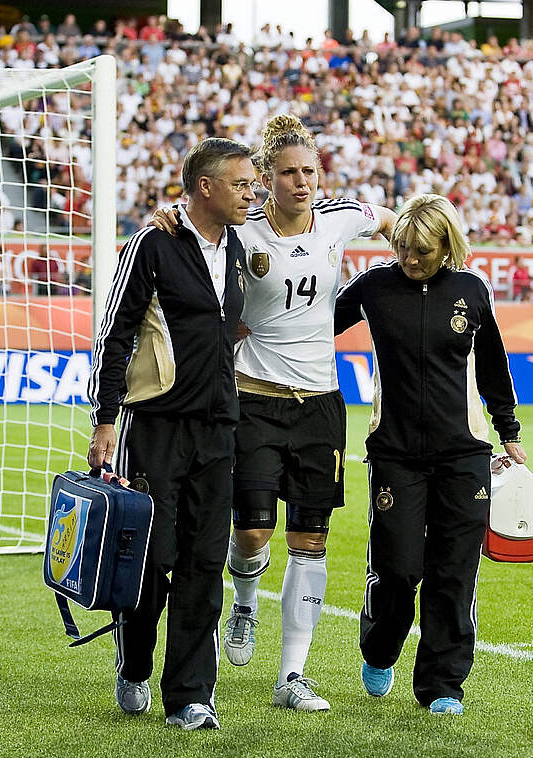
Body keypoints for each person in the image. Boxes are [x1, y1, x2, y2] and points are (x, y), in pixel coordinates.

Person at [151, 115, 397, 712]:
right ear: (265, 177)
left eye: (309, 170)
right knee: (253, 532)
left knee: (311, 538)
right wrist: (167, 216)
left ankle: (292, 675)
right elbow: (194, 226)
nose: (301, 182)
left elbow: (393, 220)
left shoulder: (341, 217)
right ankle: (244, 601)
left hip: (321, 403)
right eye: (288, 173)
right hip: (255, 399)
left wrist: (421, 254)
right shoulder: (245, 229)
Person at [85, 137, 254, 732]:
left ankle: (190, 696)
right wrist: (106, 419)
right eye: (241, 184)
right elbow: (115, 333)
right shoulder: (151, 244)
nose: (252, 194)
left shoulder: (242, 243)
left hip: (218, 428)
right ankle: (134, 664)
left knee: (205, 564)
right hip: (154, 427)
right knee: (151, 563)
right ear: (205, 187)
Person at [334, 194, 526, 716]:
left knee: (454, 572)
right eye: (402, 248)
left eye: (421, 251)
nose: (409, 259)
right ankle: (380, 648)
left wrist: (508, 429)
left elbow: (494, 365)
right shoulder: (374, 285)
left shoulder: (472, 290)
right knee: (397, 569)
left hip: (464, 453)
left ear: (447, 247)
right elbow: (314, 323)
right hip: (394, 453)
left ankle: (442, 684)